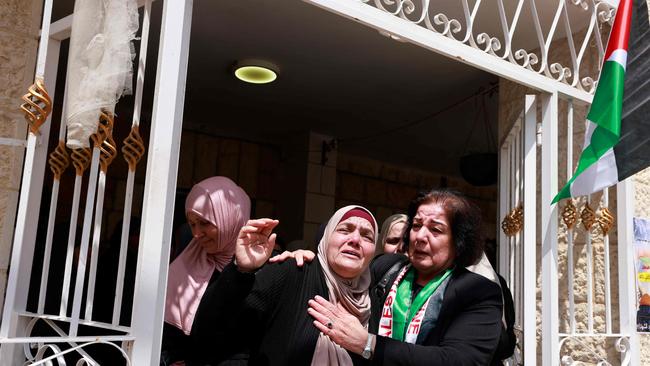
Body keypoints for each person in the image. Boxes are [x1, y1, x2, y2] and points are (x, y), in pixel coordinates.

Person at [307, 189, 503, 365]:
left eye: (435, 229)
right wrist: (301, 261)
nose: (420, 237)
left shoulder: (479, 292)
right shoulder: (386, 267)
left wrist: (367, 343)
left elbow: (457, 360)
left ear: (459, 241)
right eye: (416, 226)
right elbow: (338, 277)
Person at [191, 206, 378, 365]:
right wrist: (242, 271)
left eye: (367, 236)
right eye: (345, 230)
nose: (355, 240)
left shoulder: (373, 299)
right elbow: (216, 331)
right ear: (327, 237)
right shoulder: (292, 272)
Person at [161, 176, 250, 366]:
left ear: (229, 217)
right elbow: (166, 332)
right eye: (192, 224)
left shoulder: (257, 269)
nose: (196, 234)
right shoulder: (187, 260)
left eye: (205, 223)